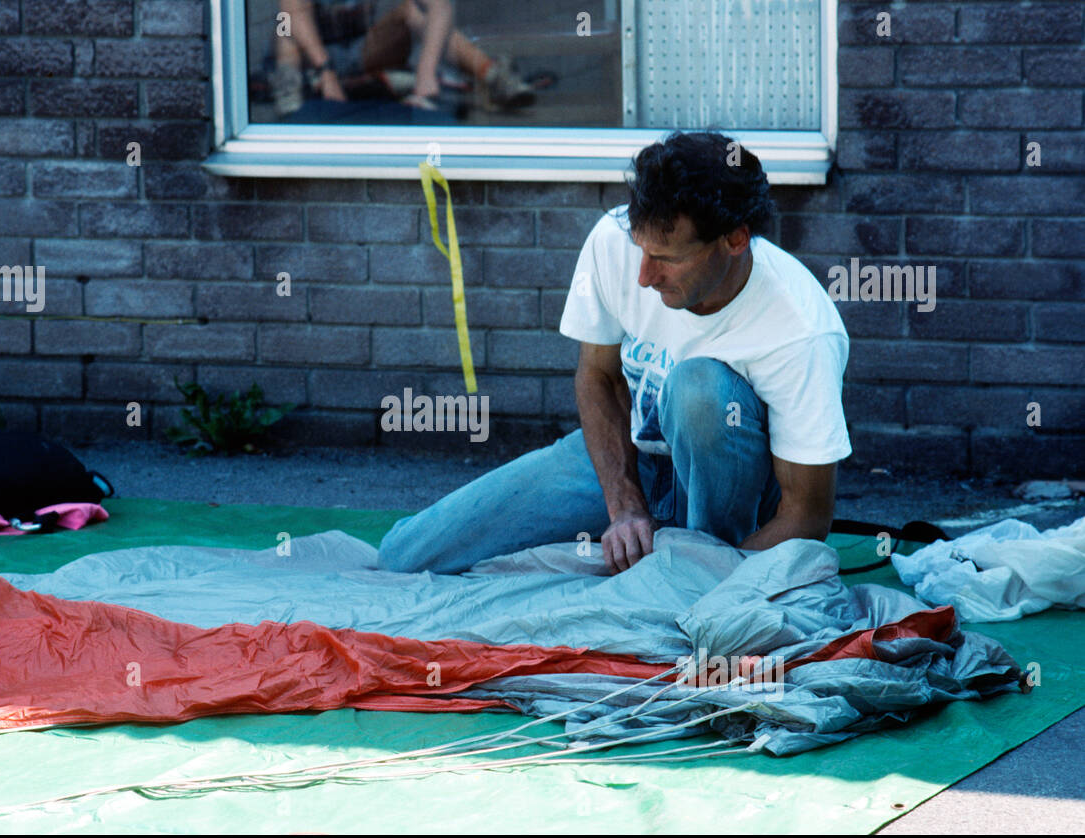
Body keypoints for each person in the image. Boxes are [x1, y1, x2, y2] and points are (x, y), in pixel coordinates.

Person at [378, 131, 852, 576]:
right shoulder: (612, 239)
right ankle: (663, 542)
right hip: (638, 459)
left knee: (699, 390)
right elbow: (598, 375)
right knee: (407, 555)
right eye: (641, 250)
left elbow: (806, 517)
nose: (644, 276)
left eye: (666, 258)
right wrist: (624, 506)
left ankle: (696, 554)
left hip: (734, 489)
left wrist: (705, 579)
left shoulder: (801, 329)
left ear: (734, 239)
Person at [270, 0, 533, 116]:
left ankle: (490, 74)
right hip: (315, 57)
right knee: (286, 22)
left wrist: (426, 75)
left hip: (361, 53)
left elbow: (439, 7)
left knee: (414, 12)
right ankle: (288, 84)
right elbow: (293, 10)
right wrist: (326, 74)